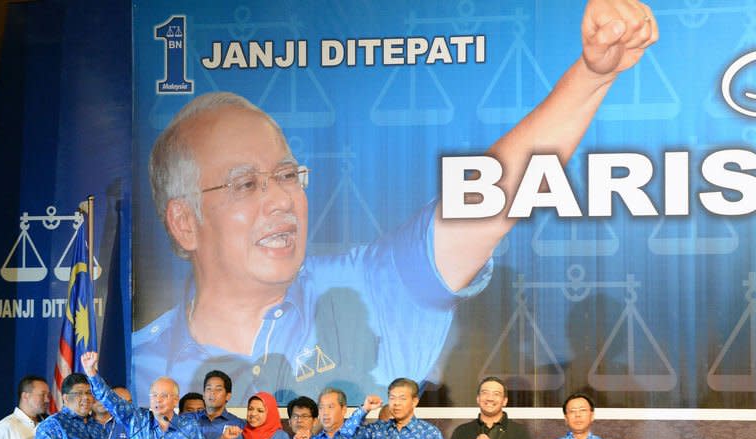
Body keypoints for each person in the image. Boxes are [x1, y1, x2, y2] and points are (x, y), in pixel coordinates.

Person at [132, 0, 659, 406]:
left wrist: (592, 76)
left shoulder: (369, 287)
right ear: (183, 222)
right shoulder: (137, 366)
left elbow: (480, 201)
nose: (282, 200)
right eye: (246, 184)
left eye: (289, 175)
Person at [80, 351, 206, 439]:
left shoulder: (190, 427)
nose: (158, 400)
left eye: (164, 396)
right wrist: (91, 373)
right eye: (154, 395)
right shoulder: (137, 420)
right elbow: (111, 400)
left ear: (175, 400)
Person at [444, 377, 531, 439]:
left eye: (496, 394)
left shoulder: (519, 432)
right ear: (478, 398)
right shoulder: (462, 431)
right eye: (485, 393)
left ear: (504, 401)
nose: (490, 398)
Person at [32, 373, 107, 439]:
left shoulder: (97, 425)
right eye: (79, 393)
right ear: (66, 398)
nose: (86, 397)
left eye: (89, 393)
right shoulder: (53, 424)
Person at [198, 370, 245, 439]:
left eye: (218, 389)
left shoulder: (238, 424)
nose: (212, 393)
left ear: (228, 396)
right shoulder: (189, 420)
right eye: (209, 388)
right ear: (203, 395)